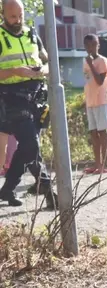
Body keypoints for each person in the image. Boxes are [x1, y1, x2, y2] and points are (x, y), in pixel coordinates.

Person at [0, 0, 56, 209]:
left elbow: (50, 63)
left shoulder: (31, 34)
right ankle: (49, 192)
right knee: (31, 144)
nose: (17, 20)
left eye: (20, 15)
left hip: (36, 97)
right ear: (3, 14)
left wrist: (42, 70)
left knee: (29, 147)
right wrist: (15, 71)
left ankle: (8, 189)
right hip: (11, 97)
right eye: (13, 16)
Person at [82, 33, 107, 175]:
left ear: (98, 45)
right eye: (88, 45)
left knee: (102, 132)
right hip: (90, 101)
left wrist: (91, 65)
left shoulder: (102, 61)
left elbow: (100, 81)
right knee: (93, 133)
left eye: (93, 44)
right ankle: (97, 164)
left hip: (101, 100)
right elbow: (88, 81)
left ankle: (106, 164)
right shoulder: (85, 60)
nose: (91, 47)